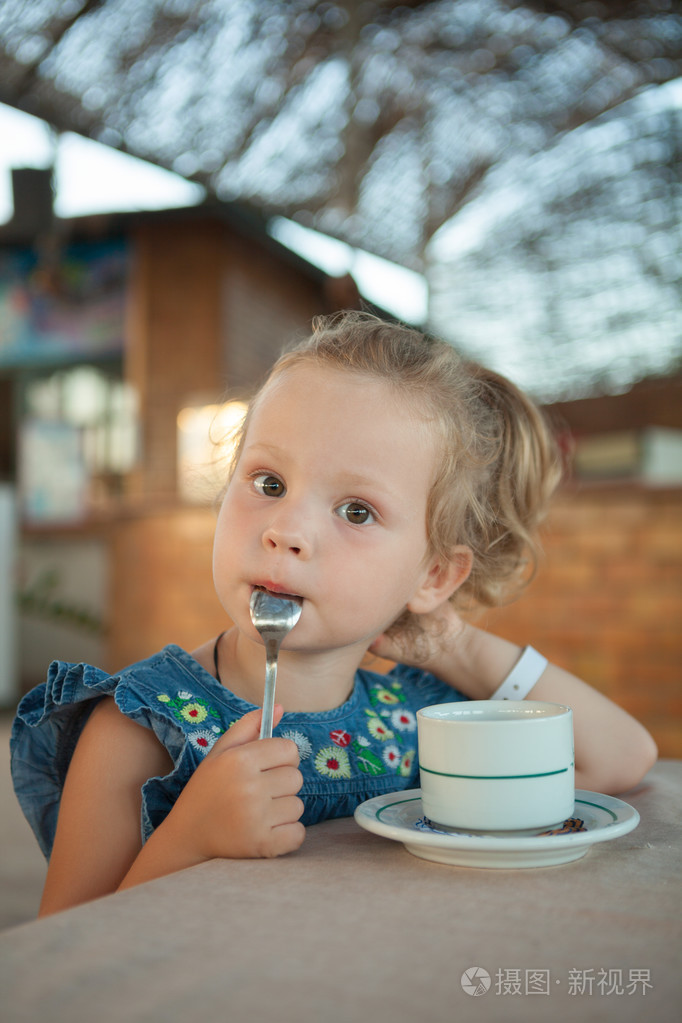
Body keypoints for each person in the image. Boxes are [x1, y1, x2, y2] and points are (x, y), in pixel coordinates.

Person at [11, 311, 657, 916]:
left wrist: (451, 642)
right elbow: (63, 954)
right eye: (269, 483)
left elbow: (621, 756)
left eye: (356, 510)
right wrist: (189, 838)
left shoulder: (415, 720)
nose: (285, 529)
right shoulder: (138, 725)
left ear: (433, 574)